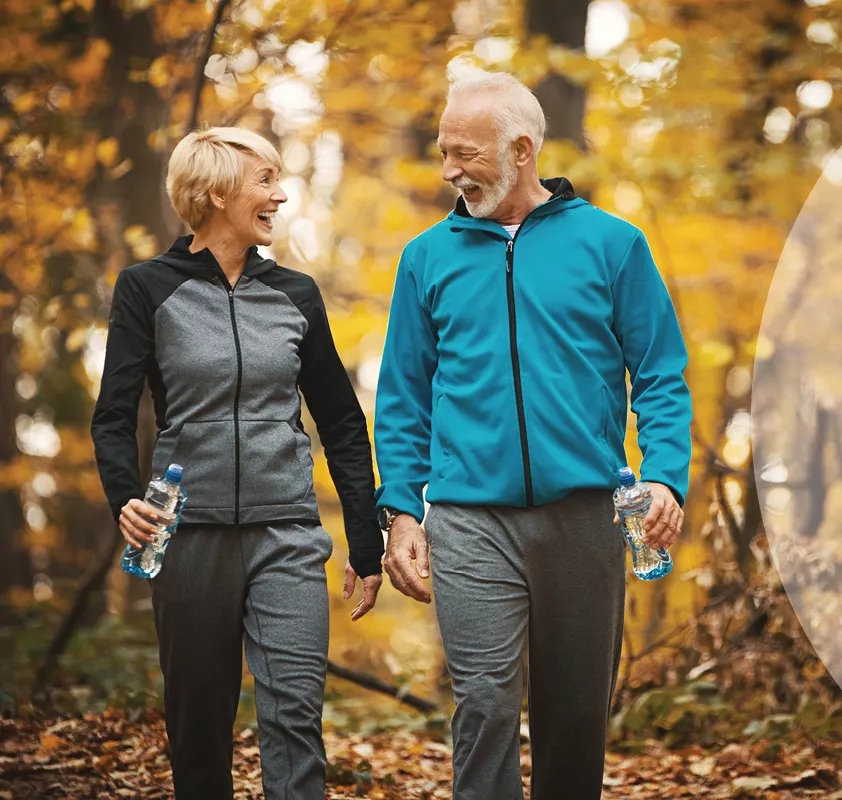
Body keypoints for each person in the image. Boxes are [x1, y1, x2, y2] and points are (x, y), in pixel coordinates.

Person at [374, 70, 691, 799]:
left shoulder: (613, 245)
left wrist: (665, 474)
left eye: (466, 154)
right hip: (469, 516)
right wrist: (399, 511)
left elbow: (662, 375)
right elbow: (402, 397)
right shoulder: (427, 257)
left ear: (522, 149)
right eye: (443, 152)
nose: (450, 170)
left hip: (586, 514)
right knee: (484, 702)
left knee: (574, 715)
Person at [90, 126, 385, 799]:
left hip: (286, 533)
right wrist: (123, 498)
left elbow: (340, 421)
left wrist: (365, 544)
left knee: (295, 720)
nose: (280, 196)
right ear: (218, 191)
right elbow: (112, 415)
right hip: (187, 536)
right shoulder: (147, 289)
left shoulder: (295, 295)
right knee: (199, 729)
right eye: (265, 182)